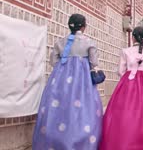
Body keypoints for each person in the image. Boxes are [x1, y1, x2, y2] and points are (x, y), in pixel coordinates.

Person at [33, 14, 103, 149]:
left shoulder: (60, 42)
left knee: (58, 106)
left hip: (60, 79)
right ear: (83, 27)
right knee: (82, 108)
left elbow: (53, 61)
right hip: (82, 82)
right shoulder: (89, 43)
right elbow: (94, 63)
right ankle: (80, 140)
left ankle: (56, 141)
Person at [100, 27, 143, 150]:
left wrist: (129, 77)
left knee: (125, 114)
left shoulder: (125, 51)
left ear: (133, 38)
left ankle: (125, 141)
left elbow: (121, 71)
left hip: (128, 85)